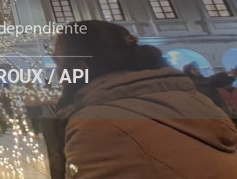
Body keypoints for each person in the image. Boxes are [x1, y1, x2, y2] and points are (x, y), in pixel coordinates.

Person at [46, 20, 237, 178]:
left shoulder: (96, 122)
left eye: (58, 63)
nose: (58, 73)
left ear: (80, 67)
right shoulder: (196, 99)